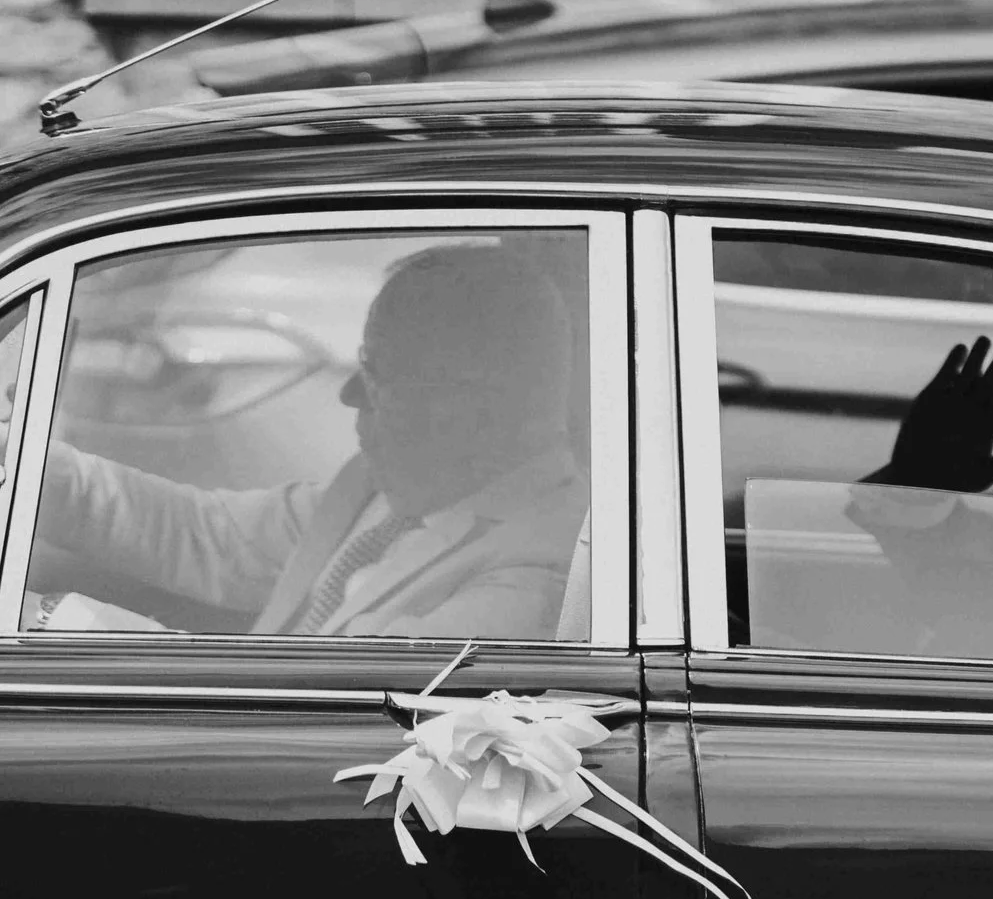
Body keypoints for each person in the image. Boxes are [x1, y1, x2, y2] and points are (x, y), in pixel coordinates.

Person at [25, 244, 588, 639]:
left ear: (473, 400)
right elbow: (209, 536)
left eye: (377, 369)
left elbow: (322, 709)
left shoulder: (544, 577)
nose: (350, 394)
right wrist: (27, 464)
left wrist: (54, 619)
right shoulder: (383, 490)